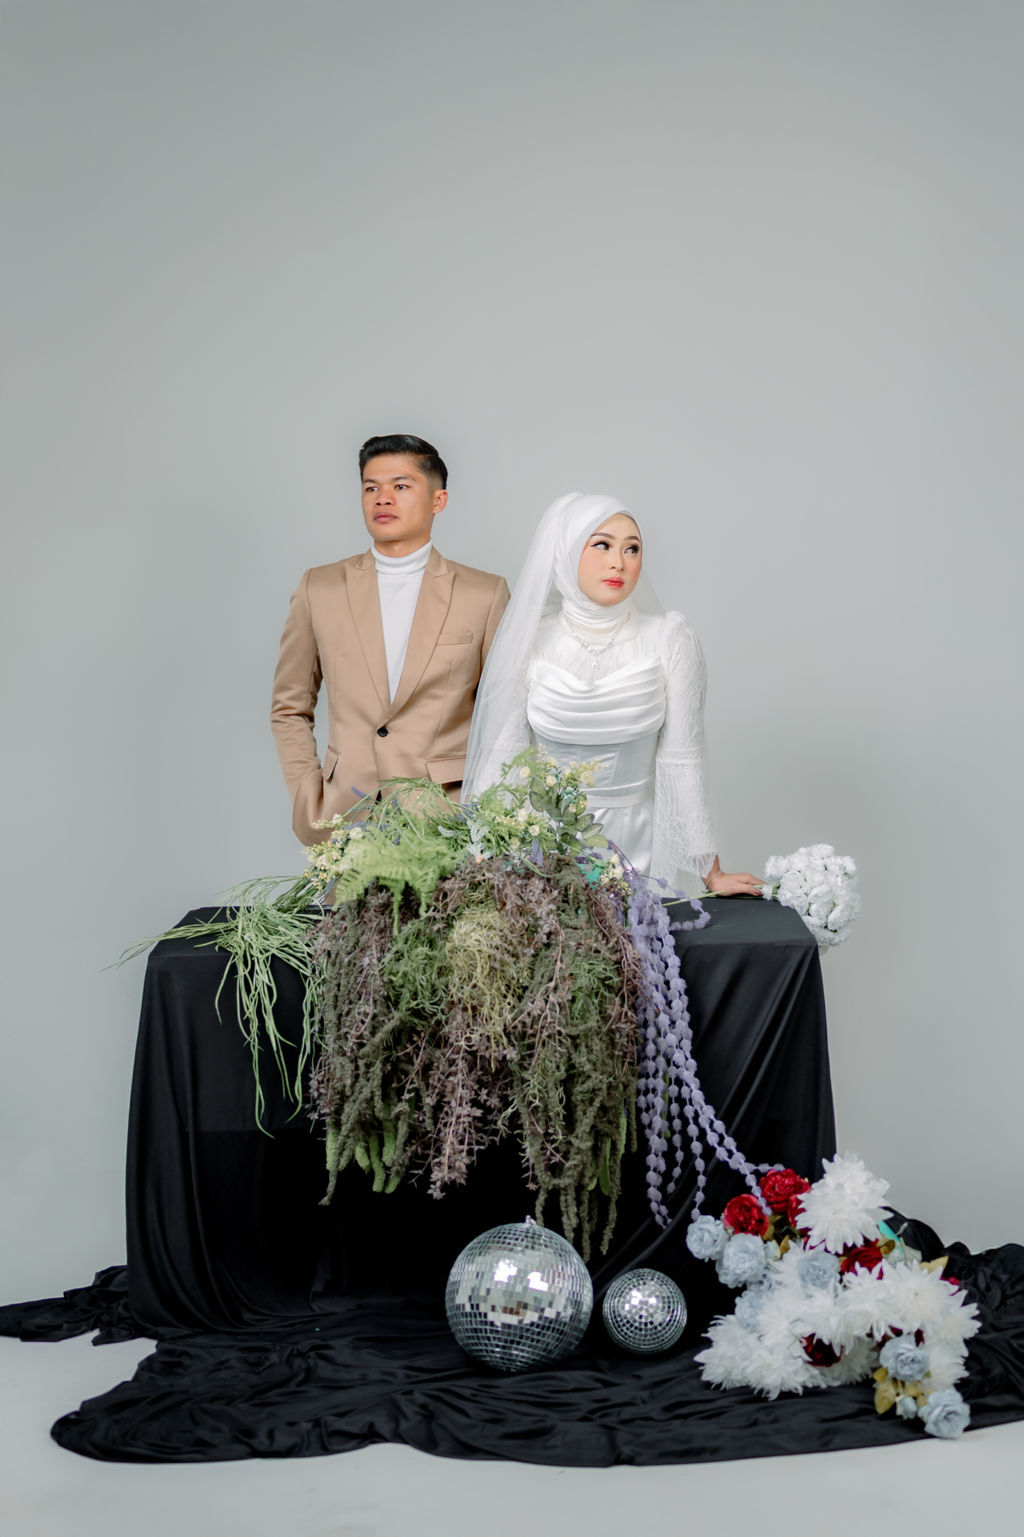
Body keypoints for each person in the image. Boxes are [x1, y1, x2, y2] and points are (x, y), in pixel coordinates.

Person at [462, 491, 761, 894]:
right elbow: (505, 758)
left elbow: (681, 760)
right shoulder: (530, 642)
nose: (619, 562)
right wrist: (477, 858)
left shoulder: (670, 640)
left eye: (632, 549)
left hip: (640, 850)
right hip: (544, 854)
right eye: (602, 545)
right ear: (566, 553)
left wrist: (711, 872)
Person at [271, 434, 510, 844]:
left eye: (401, 486)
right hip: (344, 815)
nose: (383, 498)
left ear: (438, 500)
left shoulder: (484, 594)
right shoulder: (319, 588)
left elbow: (504, 714)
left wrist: (482, 806)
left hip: (448, 818)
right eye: (371, 488)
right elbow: (289, 707)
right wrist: (308, 797)